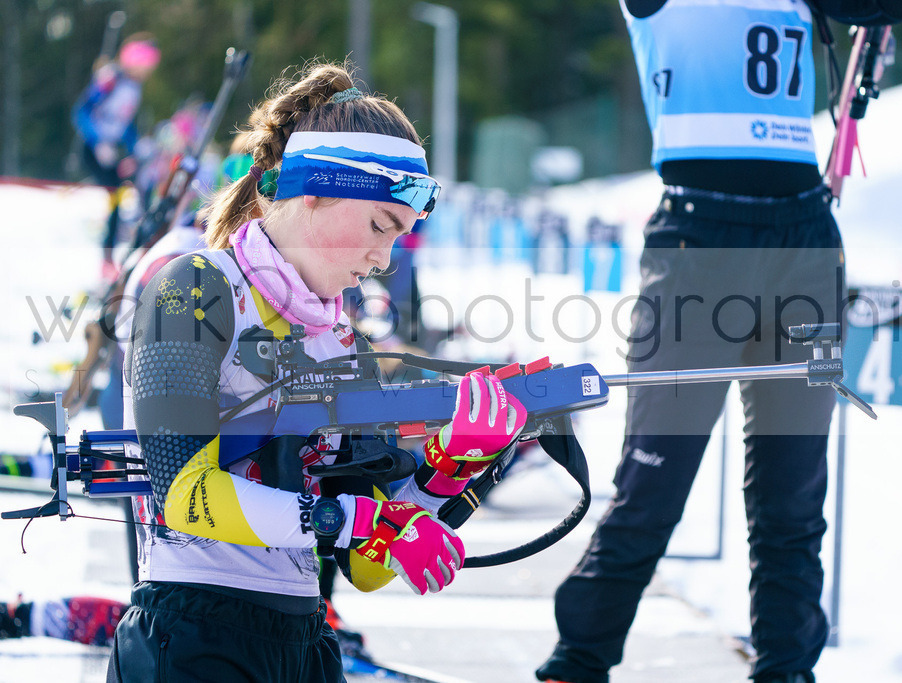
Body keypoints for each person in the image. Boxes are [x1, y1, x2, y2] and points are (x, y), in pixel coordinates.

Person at [107, 61, 527, 682]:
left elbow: (366, 568)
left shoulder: (342, 344)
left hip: (305, 641)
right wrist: (367, 520)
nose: (383, 258)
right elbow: (184, 496)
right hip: (192, 633)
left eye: (399, 237)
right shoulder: (195, 287)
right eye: (380, 226)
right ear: (314, 191)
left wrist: (449, 468)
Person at [536, 2, 846, 683]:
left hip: (806, 242)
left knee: (794, 497)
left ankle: (787, 670)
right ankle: (578, 662)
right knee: (654, 484)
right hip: (698, 241)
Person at [72, 34, 161, 280]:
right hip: (93, 149)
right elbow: (81, 112)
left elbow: (123, 124)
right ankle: (106, 258)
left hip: (112, 150)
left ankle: (116, 254)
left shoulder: (134, 87)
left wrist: (136, 146)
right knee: (114, 195)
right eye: (146, 64)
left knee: (124, 195)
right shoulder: (112, 79)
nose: (148, 71)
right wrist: (97, 141)